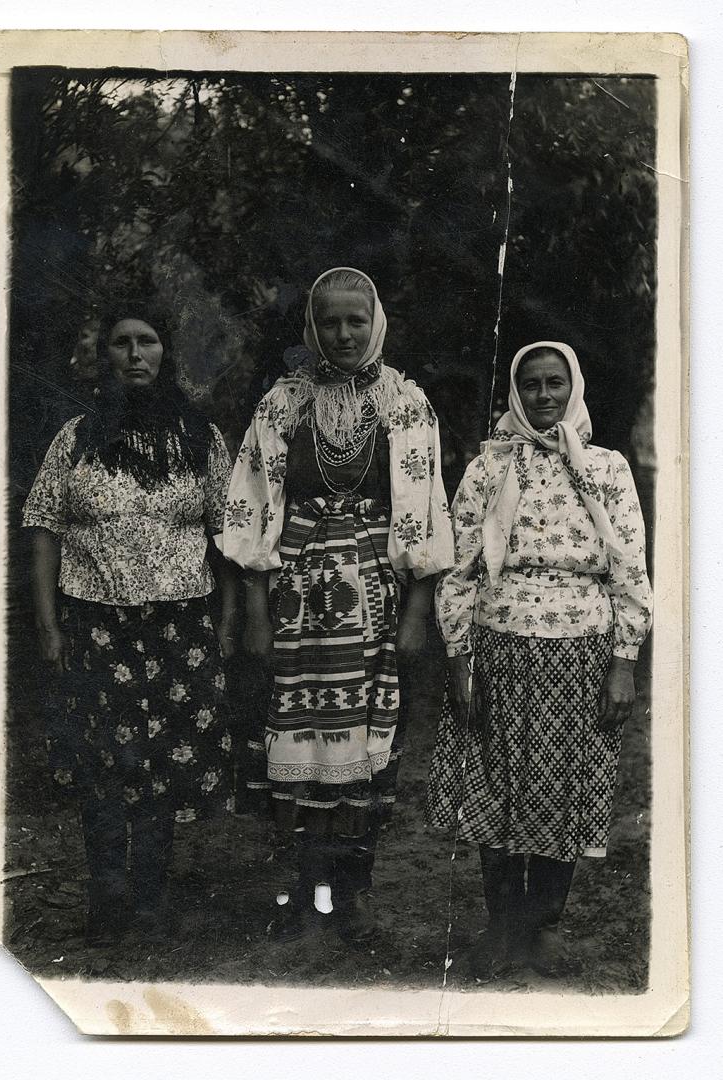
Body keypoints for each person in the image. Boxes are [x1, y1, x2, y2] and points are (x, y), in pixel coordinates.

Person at [218, 267, 453, 943]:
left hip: (373, 599)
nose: (344, 333)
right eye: (330, 321)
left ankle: (350, 894)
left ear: (375, 322)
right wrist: (258, 611)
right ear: (312, 328)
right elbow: (252, 507)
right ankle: (298, 895)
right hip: (295, 596)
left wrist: (415, 611)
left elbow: (426, 511)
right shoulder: (284, 403)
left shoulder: (405, 404)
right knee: (298, 741)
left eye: (357, 319)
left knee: (364, 742)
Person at [426, 341, 653, 981]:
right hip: (499, 646)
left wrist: (623, 659)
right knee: (495, 784)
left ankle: (540, 926)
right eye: (531, 385)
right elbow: (460, 570)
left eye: (556, 384)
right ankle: (500, 928)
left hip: (581, 650)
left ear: (574, 390)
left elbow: (629, 566)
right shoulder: (487, 469)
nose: (544, 396)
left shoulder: (606, 469)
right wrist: (459, 656)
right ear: (515, 394)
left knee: (562, 788)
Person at [22, 298, 237, 945]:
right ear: (106, 356)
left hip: (179, 629)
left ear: (165, 353)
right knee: (103, 767)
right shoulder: (77, 438)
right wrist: (47, 626)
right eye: (122, 342)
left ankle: (148, 902)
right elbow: (42, 528)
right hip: (94, 627)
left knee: (162, 769)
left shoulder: (200, 438)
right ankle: (106, 900)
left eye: (147, 341)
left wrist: (227, 623)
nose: (136, 353)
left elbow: (228, 538)